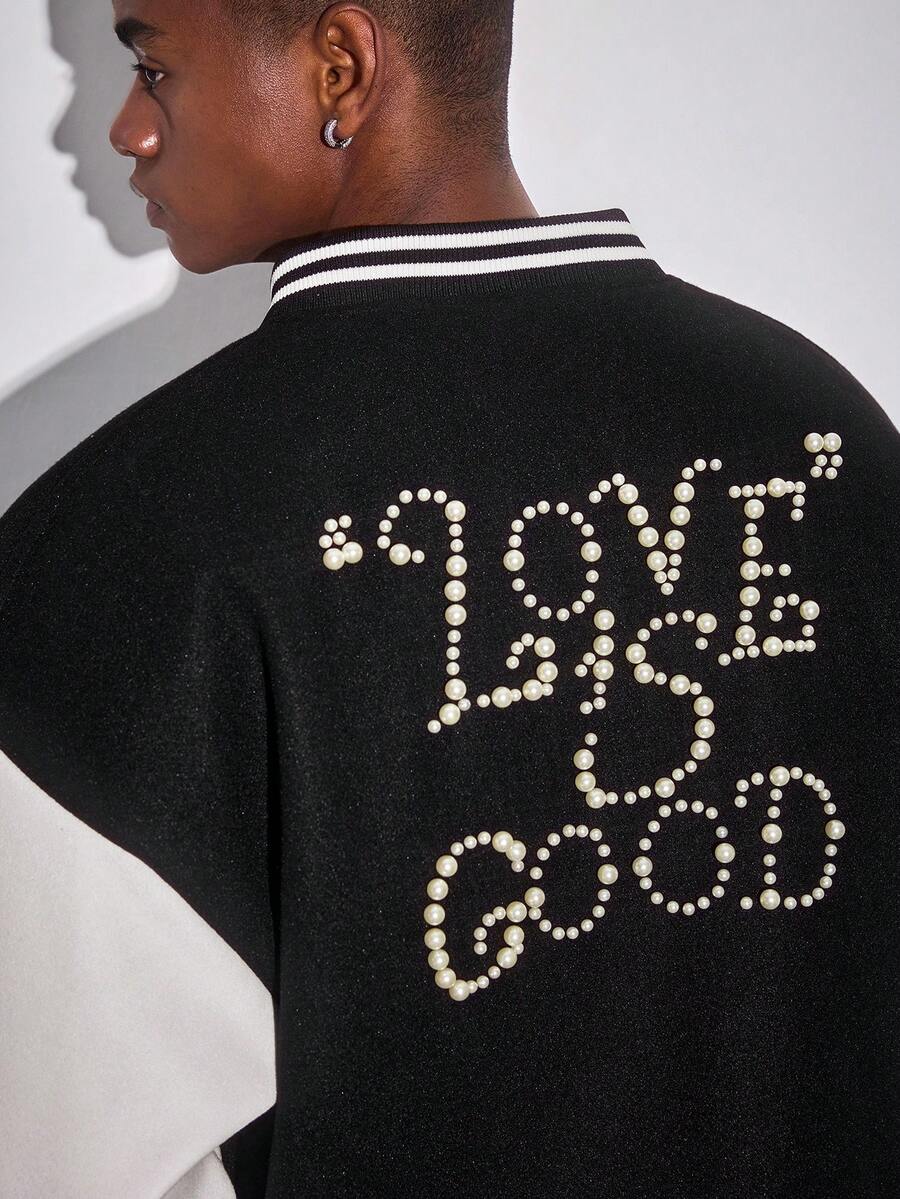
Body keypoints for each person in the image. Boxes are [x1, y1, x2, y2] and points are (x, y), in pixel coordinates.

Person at [0, 1, 897, 1196]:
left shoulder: (113, 544)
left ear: (340, 66)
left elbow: (73, 1144)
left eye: (152, 65)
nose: (122, 127)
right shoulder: (829, 431)